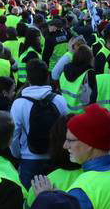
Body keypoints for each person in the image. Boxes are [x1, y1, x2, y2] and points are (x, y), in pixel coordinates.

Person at [10, 59, 68, 188]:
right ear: (47, 76)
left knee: (29, 201)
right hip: (54, 157)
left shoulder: (19, 103)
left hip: (29, 159)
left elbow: (13, 136)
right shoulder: (60, 100)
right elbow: (66, 130)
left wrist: (17, 154)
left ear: (28, 78)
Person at [59, 44, 97, 114]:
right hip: (81, 115)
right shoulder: (89, 74)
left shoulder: (64, 72)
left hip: (65, 113)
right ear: (89, 59)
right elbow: (91, 99)